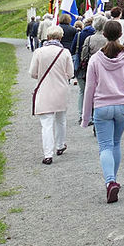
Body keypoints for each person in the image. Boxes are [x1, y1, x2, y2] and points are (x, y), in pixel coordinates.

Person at [82, 20, 124, 203]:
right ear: (120, 34)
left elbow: (89, 89)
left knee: (105, 146)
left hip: (102, 107)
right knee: (115, 144)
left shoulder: (96, 59)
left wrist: (85, 117)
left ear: (104, 34)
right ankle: (113, 181)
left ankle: (110, 182)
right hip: (123, 106)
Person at [29, 25, 74, 164]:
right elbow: (70, 74)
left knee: (46, 124)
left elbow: (33, 73)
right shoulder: (65, 52)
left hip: (44, 90)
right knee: (61, 119)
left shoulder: (39, 52)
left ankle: (48, 154)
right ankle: (60, 145)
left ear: (47, 37)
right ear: (61, 37)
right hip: (61, 90)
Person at [76, 14, 108, 122]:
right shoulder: (108, 39)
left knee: (93, 93)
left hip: (92, 69)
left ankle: (94, 118)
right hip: (107, 69)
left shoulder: (89, 39)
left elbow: (83, 56)